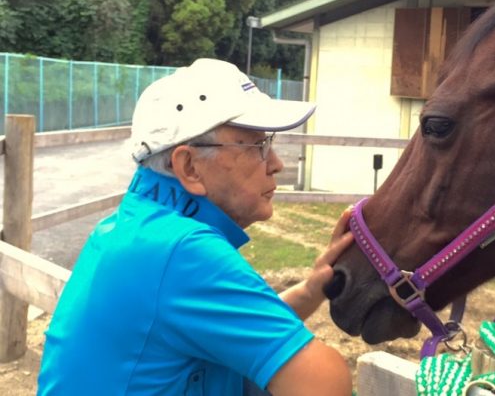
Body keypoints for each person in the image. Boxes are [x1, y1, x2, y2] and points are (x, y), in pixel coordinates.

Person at [37, 58, 354, 395]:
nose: (276, 164)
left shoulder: (131, 228)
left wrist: (308, 292)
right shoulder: (181, 251)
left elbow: (230, 332)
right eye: (258, 146)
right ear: (189, 167)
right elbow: (323, 381)